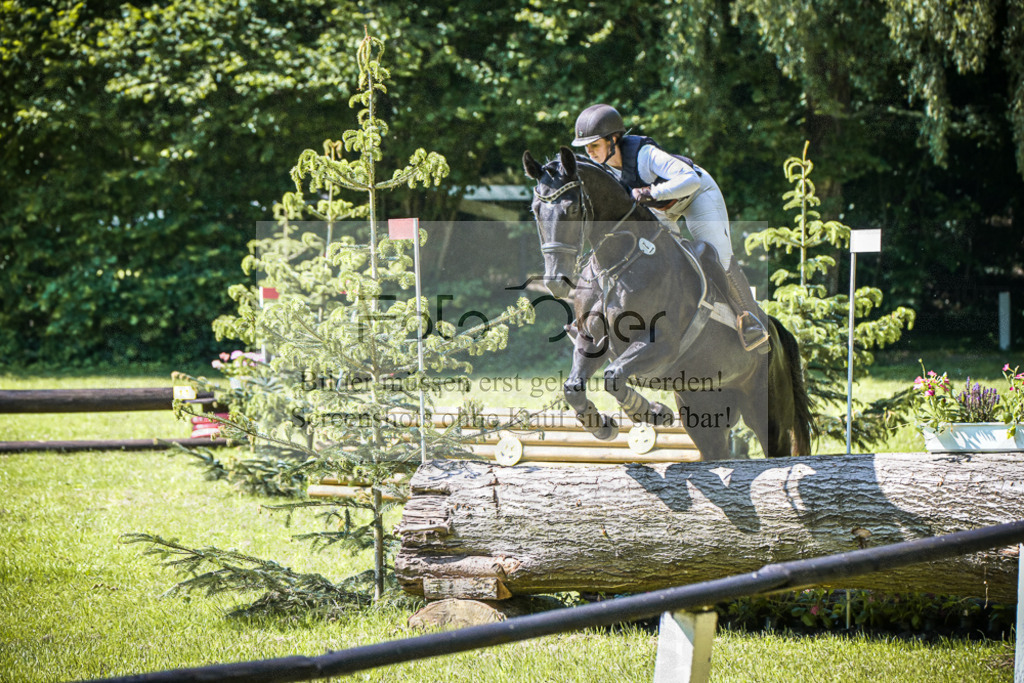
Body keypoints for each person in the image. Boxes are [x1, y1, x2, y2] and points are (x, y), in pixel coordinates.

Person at [570, 103, 770, 354]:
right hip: (661, 209)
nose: (590, 152)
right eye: (586, 148)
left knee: (718, 258)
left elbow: (691, 179)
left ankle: (751, 320)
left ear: (613, 140)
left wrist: (651, 191)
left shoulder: (645, 155)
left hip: (696, 196)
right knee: (658, 256)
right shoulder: (604, 168)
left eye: (594, 145)